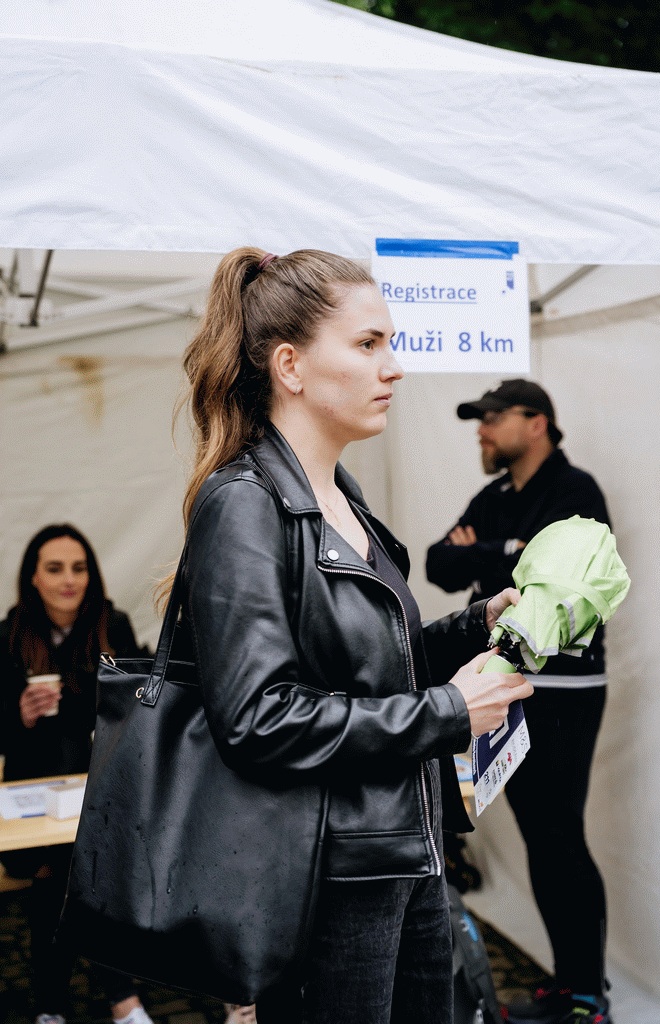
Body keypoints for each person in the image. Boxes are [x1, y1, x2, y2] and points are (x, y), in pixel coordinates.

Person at [174, 247, 534, 1024]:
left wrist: (475, 625)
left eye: (389, 343)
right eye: (368, 344)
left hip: (408, 856)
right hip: (325, 880)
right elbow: (257, 718)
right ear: (290, 367)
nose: (393, 367)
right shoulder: (243, 503)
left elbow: (367, 665)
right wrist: (446, 713)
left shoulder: (343, 492)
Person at [425, 379, 612, 1024]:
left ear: (537, 423)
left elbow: (559, 582)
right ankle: (571, 986)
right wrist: (511, 551)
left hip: (565, 691)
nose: (480, 429)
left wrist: (483, 552)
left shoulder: (576, 492)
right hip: (511, 684)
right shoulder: (498, 496)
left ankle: (587, 997)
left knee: (560, 837)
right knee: (541, 838)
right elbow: (437, 563)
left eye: (492, 417)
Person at [0, 524, 154, 1024]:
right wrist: (19, 715)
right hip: (35, 799)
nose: (69, 579)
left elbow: (136, 711)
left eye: (79, 567)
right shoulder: (10, 634)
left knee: (69, 871)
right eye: (55, 568)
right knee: (75, 868)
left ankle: (51, 1005)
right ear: (34, 578)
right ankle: (121, 997)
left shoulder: (113, 626)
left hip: (100, 790)